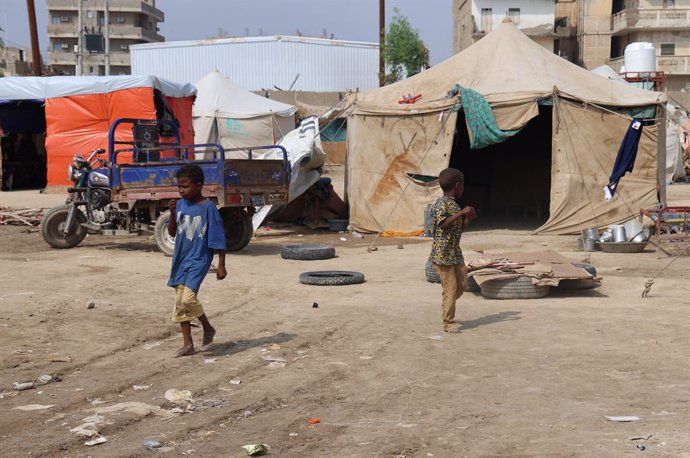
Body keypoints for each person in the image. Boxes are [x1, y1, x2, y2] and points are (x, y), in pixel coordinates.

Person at [167, 164, 227, 357]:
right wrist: (171, 213)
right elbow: (172, 232)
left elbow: (218, 237)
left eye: (185, 186)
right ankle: (188, 345)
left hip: (199, 259)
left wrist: (221, 264)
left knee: (188, 298)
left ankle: (207, 327)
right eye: (179, 187)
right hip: (181, 259)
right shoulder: (180, 205)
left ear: (199, 185)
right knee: (180, 303)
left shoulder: (208, 208)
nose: (181, 190)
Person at [429, 168, 476, 334]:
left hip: (455, 253)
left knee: (462, 285)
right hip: (442, 256)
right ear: (457, 186)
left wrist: (467, 219)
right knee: (450, 288)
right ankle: (448, 322)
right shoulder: (441, 204)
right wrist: (462, 212)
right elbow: (442, 224)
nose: (463, 189)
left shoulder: (454, 205)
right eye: (463, 185)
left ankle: (447, 303)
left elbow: (457, 232)